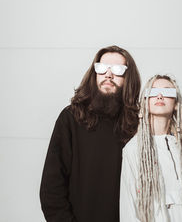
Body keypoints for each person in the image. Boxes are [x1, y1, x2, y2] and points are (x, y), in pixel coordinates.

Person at [40, 45, 141, 222]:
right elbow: (51, 188)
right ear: (94, 73)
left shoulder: (137, 124)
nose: (108, 75)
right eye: (101, 68)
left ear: (128, 78)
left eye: (117, 70)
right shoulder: (70, 118)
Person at [120, 74, 182, 222]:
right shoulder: (133, 149)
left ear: (176, 103)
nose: (160, 96)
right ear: (145, 102)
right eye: (153, 92)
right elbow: (128, 207)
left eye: (168, 92)